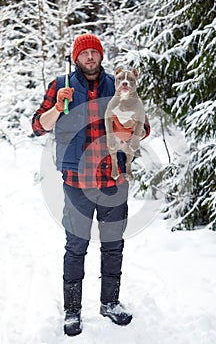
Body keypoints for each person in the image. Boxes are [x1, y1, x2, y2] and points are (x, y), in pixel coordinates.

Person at [32, 33, 150, 336]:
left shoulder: (118, 85)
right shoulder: (61, 86)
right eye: (84, 54)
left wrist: (127, 131)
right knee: (76, 246)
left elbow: (143, 126)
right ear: (76, 58)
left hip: (113, 179)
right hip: (76, 183)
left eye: (94, 53)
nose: (90, 58)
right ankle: (72, 310)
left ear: (101, 56)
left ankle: (110, 303)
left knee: (113, 245)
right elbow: (38, 125)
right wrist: (59, 107)